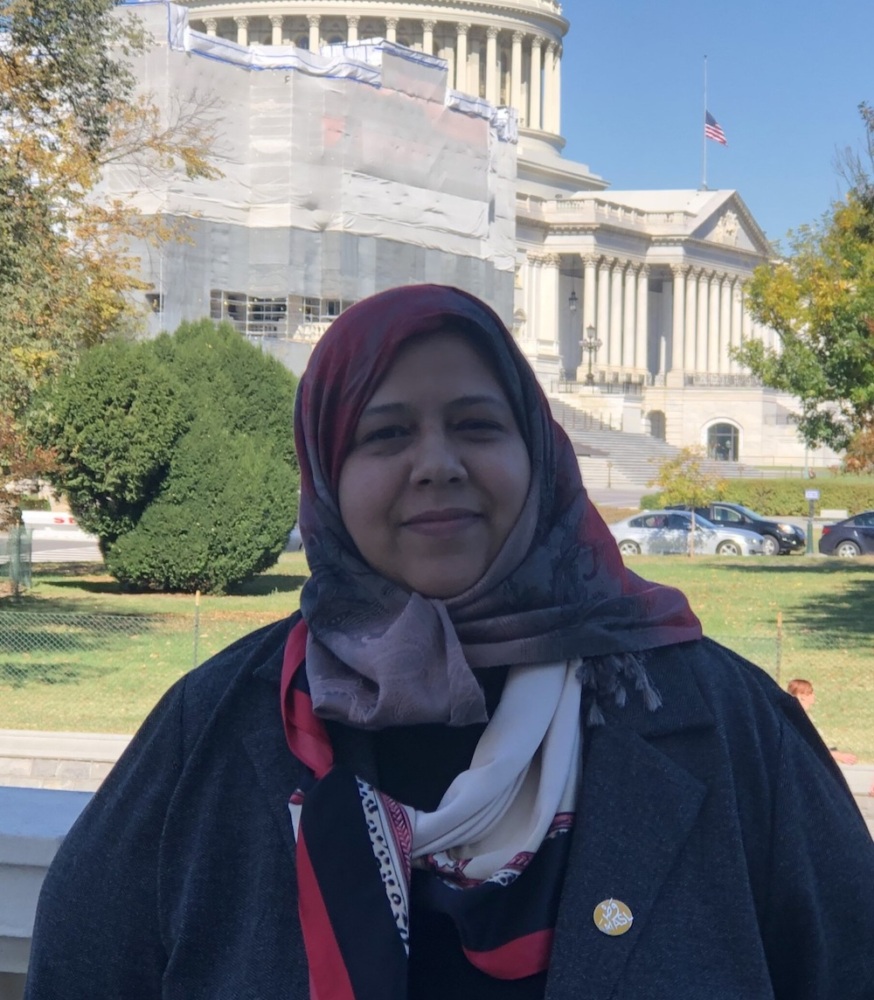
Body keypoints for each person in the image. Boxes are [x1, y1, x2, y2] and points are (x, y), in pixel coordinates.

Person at [24, 285, 874, 999]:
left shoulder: (721, 723)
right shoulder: (212, 728)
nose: (436, 464)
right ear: (327, 471)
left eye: (475, 425)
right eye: (386, 434)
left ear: (537, 454)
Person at [786, 677, 858, 764]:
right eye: (810, 693)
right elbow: (809, 747)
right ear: (801, 696)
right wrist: (838, 756)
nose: (813, 695)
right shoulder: (798, 717)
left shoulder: (804, 715)